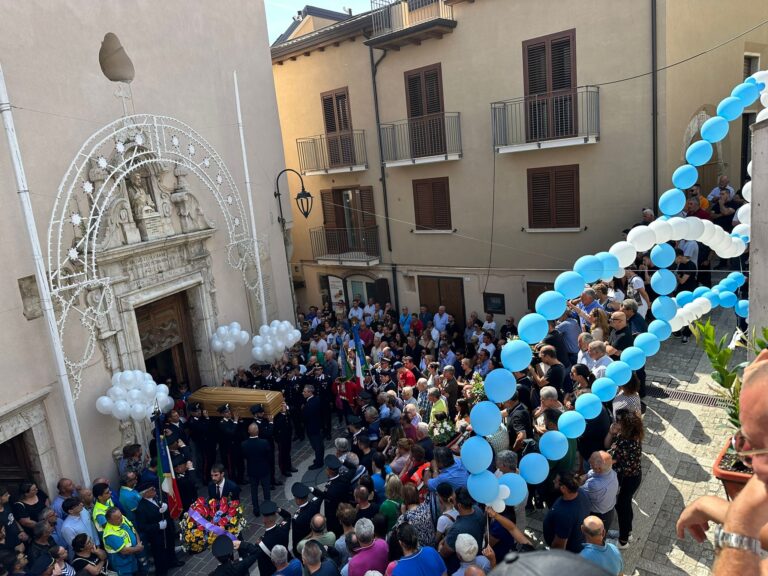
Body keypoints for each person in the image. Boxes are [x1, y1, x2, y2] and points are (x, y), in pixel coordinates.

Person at [605, 409, 643, 549]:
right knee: (626, 505)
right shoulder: (631, 434)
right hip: (633, 476)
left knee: (622, 507)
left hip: (628, 479)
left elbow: (610, 458)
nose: (615, 423)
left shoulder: (626, 442)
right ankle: (628, 533)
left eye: (618, 421)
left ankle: (623, 541)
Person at [133, 483, 182, 576]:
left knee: (170, 546)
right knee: (159, 554)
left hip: (167, 529)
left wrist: (166, 507)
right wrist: (158, 526)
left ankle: (173, 561)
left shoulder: (157, 497)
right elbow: (142, 526)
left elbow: (166, 506)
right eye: (152, 489)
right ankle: (162, 571)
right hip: (156, 535)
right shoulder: (141, 508)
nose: (154, 490)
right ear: (145, 493)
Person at [543, 473, 591, 553]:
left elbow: (559, 546)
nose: (553, 481)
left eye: (556, 481)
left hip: (569, 550)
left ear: (563, 488)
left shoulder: (564, 514)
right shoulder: (581, 492)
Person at [310, 455, 352, 538]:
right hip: (345, 508)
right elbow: (353, 468)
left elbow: (325, 496)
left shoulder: (331, 489)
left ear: (329, 471)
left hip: (334, 516)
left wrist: (313, 490)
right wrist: (343, 462)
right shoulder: (345, 477)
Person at [580, 452, 619, 531]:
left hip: (599, 515)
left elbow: (578, 492)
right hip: (609, 510)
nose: (590, 466)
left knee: (598, 537)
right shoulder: (609, 470)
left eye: (592, 465)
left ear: (599, 469)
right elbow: (588, 474)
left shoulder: (594, 485)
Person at [102, 507, 145, 576]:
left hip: (132, 558)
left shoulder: (122, 519)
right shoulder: (110, 534)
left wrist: (138, 542)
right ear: (110, 521)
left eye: (120, 515)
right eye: (118, 518)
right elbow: (124, 551)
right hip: (122, 565)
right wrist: (138, 548)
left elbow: (133, 530)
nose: (121, 518)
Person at [241, 423, 271, 516]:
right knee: (266, 489)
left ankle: (256, 510)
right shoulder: (264, 442)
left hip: (252, 470)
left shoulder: (244, 444)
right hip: (264, 469)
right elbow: (268, 455)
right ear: (258, 431)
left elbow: (244, 456)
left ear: (249, 432)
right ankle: (268, 508)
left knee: (254, 491)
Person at [254, 501, 291, 576]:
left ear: (264, 520)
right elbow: (288, 516)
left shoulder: (260, 544)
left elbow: (262, 567)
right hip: (286, 562)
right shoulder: (284, 528)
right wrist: (278, 509)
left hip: (273, 571)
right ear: (275, 516)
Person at [290, 482, 322, 558]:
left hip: (305, 541)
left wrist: (295, 550)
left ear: (298, 499)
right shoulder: (315, 503)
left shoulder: (297, 518)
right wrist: (311, 489)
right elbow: (321, 495)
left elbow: (296, 538)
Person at [303, 385, 326, 470]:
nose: (303, 393)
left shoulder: (310, 404)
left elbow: (305, 416)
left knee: (317, 446)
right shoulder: (316, 399)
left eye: (304, 392)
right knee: (318, 445)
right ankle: (319, 459)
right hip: (317, 426)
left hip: (313, 428)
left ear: (310, 392)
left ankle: (319, 462)